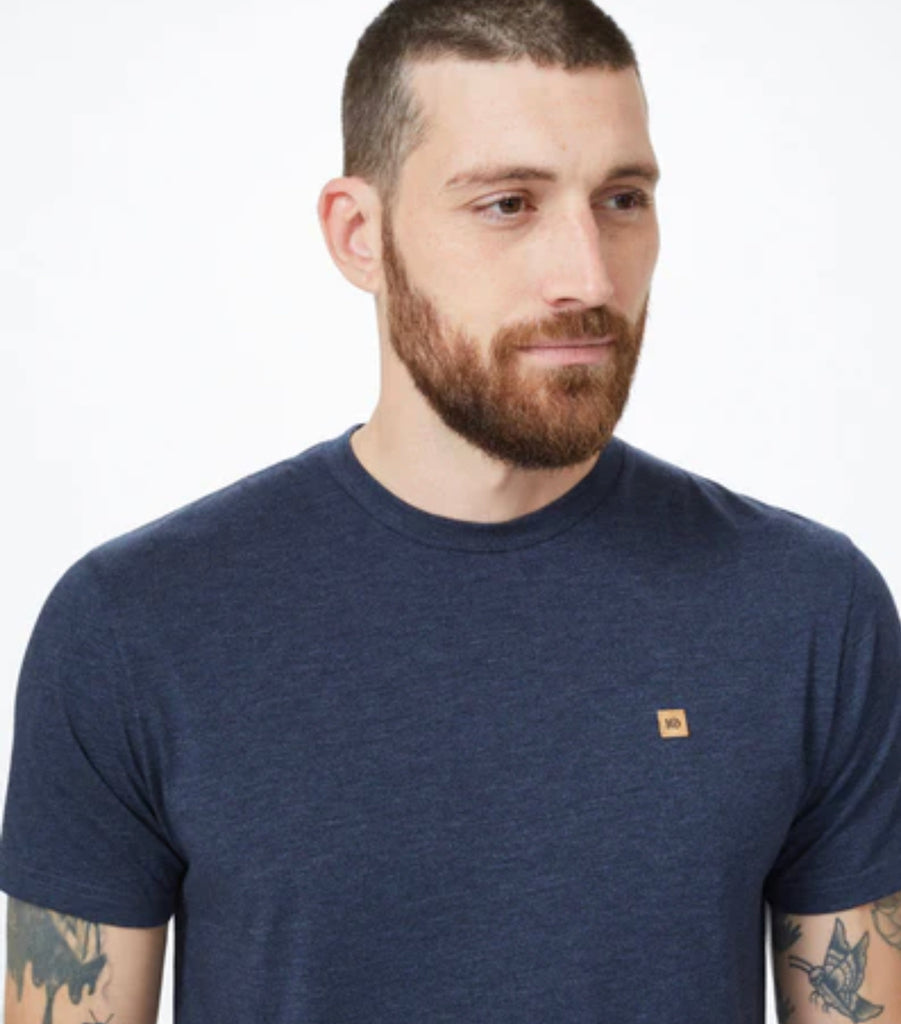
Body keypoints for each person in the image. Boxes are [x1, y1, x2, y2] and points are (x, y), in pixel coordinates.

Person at [2, 0, 900, 1021]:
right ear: (360, 235)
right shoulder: (135, 626)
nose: (587, 276)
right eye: (507, 204)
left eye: (621, 199)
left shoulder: (807, 611)